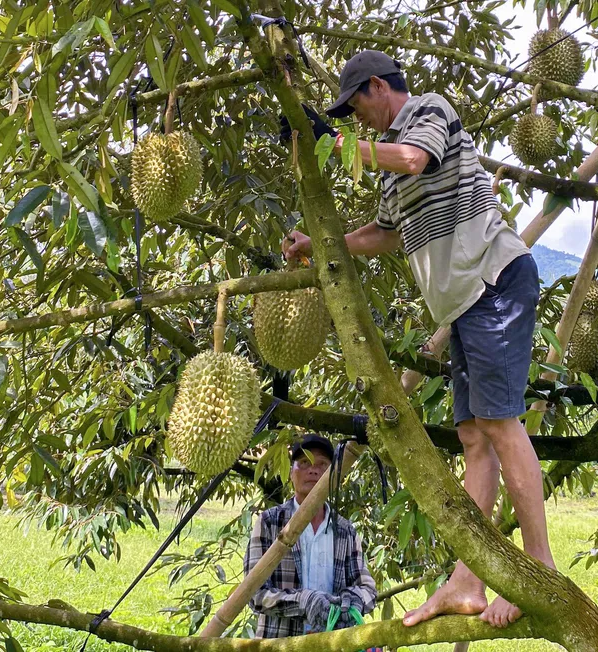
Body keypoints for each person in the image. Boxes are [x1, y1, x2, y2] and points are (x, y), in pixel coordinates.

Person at [281, 50, 555, 629]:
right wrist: (319, 243)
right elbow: (383, 233)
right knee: (474, 438)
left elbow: (414, 157)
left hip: (494, 281)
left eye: (357, 108)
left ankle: (539, 571)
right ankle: (467, 578)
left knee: (502, 427)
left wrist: (334, 145)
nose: (358, 123)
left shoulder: (428, 112)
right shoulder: (385, 166)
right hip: (463, 306)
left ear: (379, 86)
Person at [244, 434, 377, 638]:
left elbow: (366, 587)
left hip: (332, 643)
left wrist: (353, 601)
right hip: (280, 642)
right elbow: (254, 594)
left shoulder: (344, 530)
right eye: (304, 462)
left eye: (323, 465)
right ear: (291, 472)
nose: (313, 470)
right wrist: (304, 602)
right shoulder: (270, 523)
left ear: (334, 476)